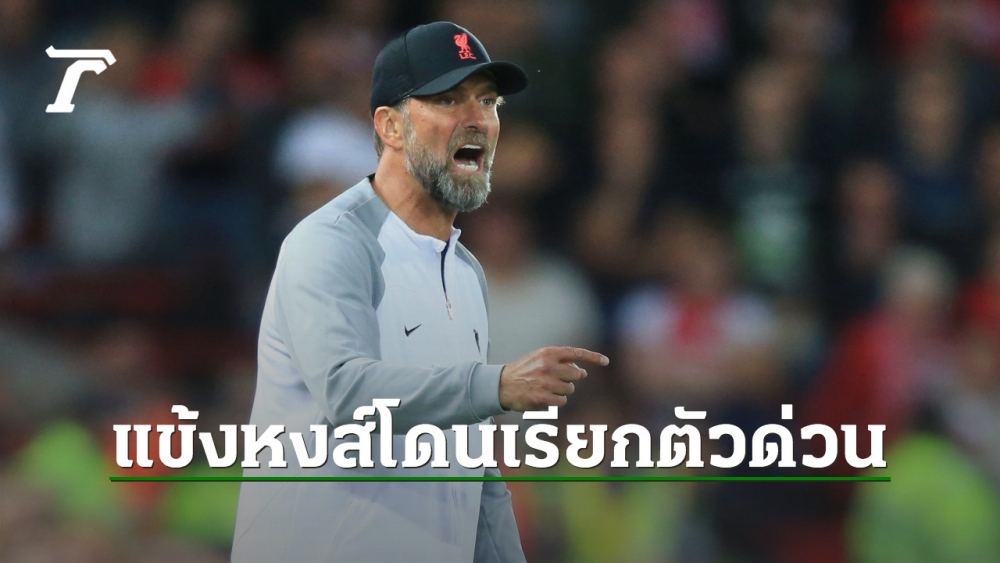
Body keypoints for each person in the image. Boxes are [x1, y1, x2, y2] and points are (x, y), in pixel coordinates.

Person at [231, 22, 609, 563]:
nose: (476, 118)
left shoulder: (466, 272)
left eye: (488, 101)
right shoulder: (332, 242)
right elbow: (347, 395)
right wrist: (496, 384)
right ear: (390, 126)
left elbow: (475, 465)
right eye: (448, 100)